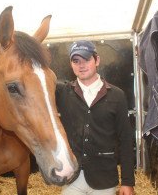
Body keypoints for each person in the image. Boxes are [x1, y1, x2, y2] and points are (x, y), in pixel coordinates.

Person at [55, 40, 135, 195]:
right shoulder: (62, 92)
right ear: (71, 65)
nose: (81, 65)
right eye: (76, 61)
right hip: (72, 179)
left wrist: (127, 182)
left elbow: (125, 139)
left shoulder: (117, 95)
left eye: (86, 59)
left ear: (97, 60)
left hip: (104, 180)